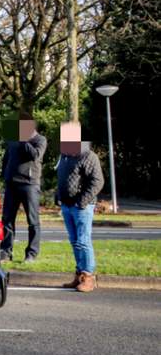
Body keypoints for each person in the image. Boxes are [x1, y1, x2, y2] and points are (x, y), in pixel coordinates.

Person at [54, 122, 105, 292]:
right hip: (67, 205)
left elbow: (97, 181)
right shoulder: (65, 155)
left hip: (82, 206)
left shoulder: (88, 156)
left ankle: (89, 276)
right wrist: (58, 195)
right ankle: (79, 275)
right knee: (75, 241)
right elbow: (62, 177)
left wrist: (82, 201)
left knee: (83, 241)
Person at [0, 113, 46, 262]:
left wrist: (24, 140)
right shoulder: (13, 139)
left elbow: (35, 155)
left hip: (29, 184)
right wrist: (4, 175)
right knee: (7, 219)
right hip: (12, 184)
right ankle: (6, 251)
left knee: (32, 221)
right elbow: (7, 158)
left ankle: (31, 253)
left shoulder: (40, 140)